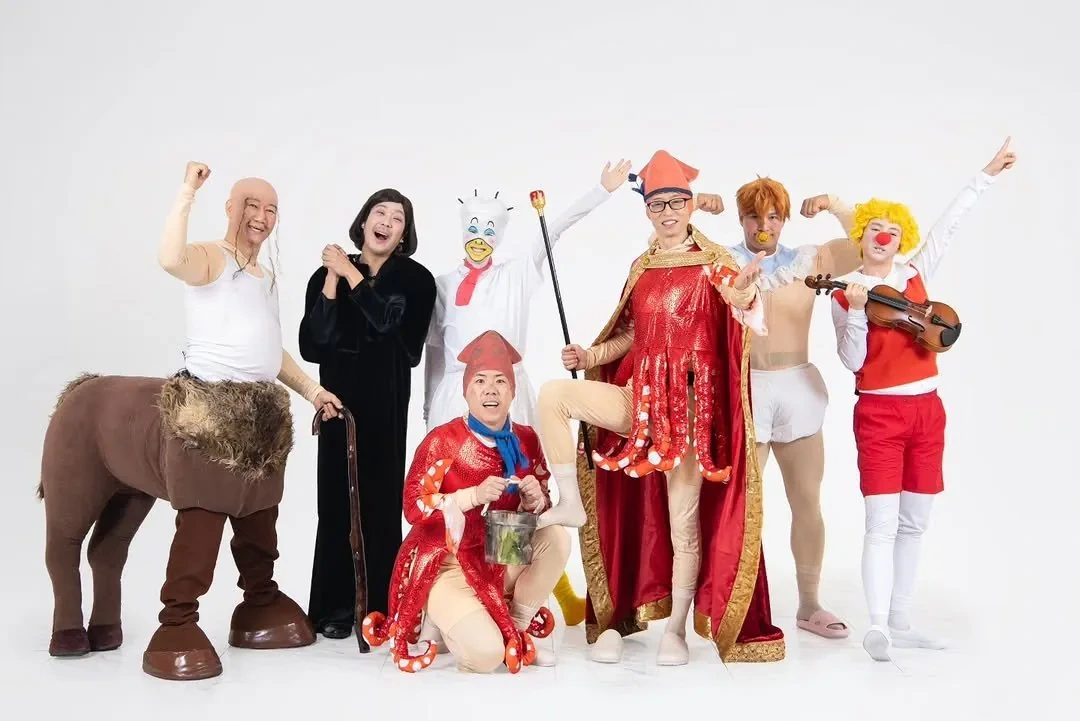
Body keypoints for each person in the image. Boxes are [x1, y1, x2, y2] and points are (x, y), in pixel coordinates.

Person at [38, 160, 343, 681]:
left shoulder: (265, 276)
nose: (261, 216)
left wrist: (313, 391)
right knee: (200, 526)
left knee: (259, 519)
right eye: (250, 205)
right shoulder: (211, 258)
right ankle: (170, 620)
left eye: (270, 209)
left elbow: (269, 352)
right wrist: (185, 193)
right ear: (230, 208)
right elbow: (169, 258)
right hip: (207, 416)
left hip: (258, 418)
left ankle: (259, 601)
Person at [536, 149, 785, 666]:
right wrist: (589, 356)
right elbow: (629, 335)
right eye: (657, 204)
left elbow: (740, 302)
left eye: (676, 202)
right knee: (555, 394)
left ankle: (675, 630)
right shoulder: (643, 265)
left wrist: (743, 293)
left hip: (689, 413)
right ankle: (570, 502)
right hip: (640, 400)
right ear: (647, 209)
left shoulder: (716, 263)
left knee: (681, 523)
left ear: (691, 205)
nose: (667, 213)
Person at [422, 160, 631, 630]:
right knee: (458, 496)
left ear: (498, 235)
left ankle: (524, 596)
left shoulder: (517, 272)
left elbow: (553, 229)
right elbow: (434, 351)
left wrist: (600, 190)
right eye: (473, 229)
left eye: (488, 230)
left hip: (508, 393)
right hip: (455, 395)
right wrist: (429, 406)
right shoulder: (442, 285)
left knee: (518, 494)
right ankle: (449, 591)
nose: (479, 238)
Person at [829, 138, 1016, 661]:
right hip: (879, 414)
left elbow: (949, 224)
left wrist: (985, 174)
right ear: (861, 236)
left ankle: (903, 620)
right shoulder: (845, 292)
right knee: (881, 523)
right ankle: (878, 626)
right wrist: (857, 313)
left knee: (914, 523)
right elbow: (851, 361)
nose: (883, 237)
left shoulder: (915, 275)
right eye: (874, 229)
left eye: (892, 232)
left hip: (928, 411)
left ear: (901, 239)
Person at [361, 330, 570, 673]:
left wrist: (535, 501)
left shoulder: (526, 439)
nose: (490, 390)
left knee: (556, 537)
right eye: (480, 381)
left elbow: (543, 504)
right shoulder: (443, 441)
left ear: (512, 391)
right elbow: (413, 507)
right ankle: (448, 619)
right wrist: (470, 496)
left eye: (500, 381)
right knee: (485, 657)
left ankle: (515, 629)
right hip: (447, 563)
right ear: (466, 391)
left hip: (498, 554)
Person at [721, 178, 860, 639]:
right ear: (741, 219)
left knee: (807, 500)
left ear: (784, 220)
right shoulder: (721, 263)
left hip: (797, 386)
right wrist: (694, 203)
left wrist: (835, 203)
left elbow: (867, 245)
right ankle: (739, 605)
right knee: (743, 507)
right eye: (754, 216)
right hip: (747, 390)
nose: (763, 226)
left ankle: (809, 603)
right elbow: (661, 254)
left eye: (773, 216)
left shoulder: (810, 260)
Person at [299, 188, 437, 639]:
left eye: (398, 218)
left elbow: (403, 342)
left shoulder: (416, 280)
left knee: (378, 504)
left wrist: (352, 277)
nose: (387, 222)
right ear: (363, 221)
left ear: (403, 234)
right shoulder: (329, 274)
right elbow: (313, 344)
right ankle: (333, 609)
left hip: (385, 407)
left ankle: (379, 606)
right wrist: (333, 278)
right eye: (380, 212)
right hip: (337, 406)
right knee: (334, 504)